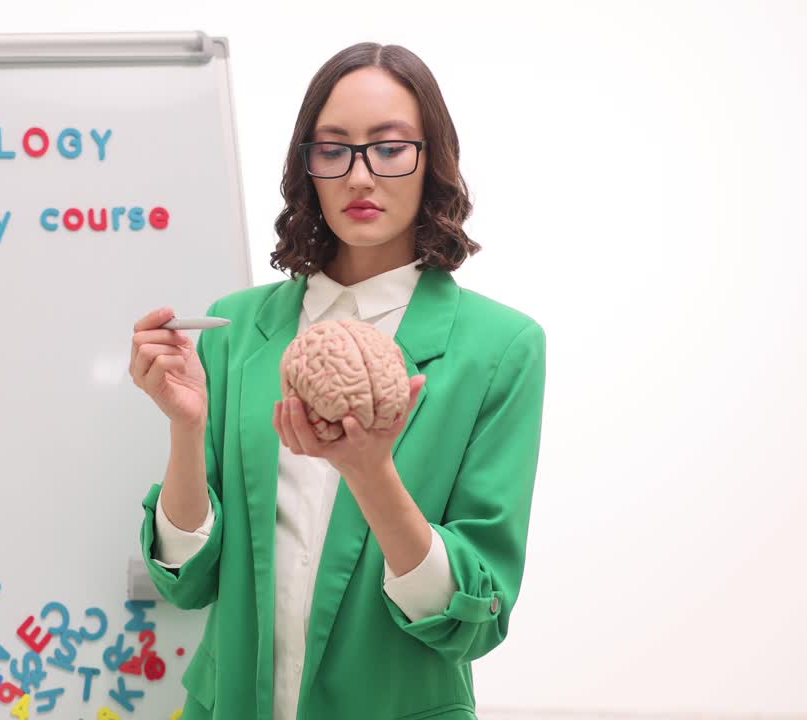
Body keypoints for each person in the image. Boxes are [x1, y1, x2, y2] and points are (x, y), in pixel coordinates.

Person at [129, 42, 546, 720]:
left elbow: (475, 617)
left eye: (389, 148)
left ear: (431, 160)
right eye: (333, 150)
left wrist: (372, 474)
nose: (360, 176)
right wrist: (186, 427)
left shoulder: (500, 349)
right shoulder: (237, 327)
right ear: (308, 169)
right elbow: (187, 581)